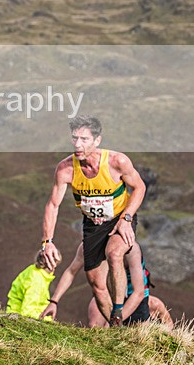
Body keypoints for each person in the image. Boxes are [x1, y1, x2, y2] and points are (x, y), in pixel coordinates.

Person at [41, 115, 146, 326]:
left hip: (119, 219)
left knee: (115, 253)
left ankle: (118, 309)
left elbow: (140, 187)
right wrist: (47, 242)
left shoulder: (117, 161)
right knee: (96, 284)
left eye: (84, 139)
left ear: (97, 140)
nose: (78, 144)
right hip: (92, 225)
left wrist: (126, 218)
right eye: (74, 138)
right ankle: (118, 329)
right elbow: (53, 205)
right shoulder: (65, 169)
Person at [40, 243, 172, 328]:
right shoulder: (89, 246)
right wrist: (54, 301)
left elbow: (139, 293)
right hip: (107, 295)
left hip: (134, 297)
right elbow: (71, 271)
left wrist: (117, 320)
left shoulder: (130, 248)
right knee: (96, 328)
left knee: (140, 340)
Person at [7, 250, 57, 321]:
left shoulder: (34, 271)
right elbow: (28, 312)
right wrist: (48, 320)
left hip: (15, 312)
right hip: (18, 317)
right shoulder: (36, 280)